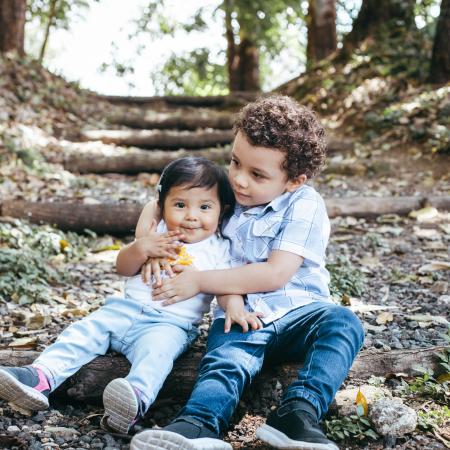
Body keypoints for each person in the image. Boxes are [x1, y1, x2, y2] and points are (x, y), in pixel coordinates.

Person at [130, 95, 365, 450]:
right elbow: (159, 199)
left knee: (344, 324)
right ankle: (198, 424)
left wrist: (199, 281)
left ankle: (298, 413)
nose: (239, 180)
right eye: (235, 162)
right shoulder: (227, 195)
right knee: (224, 361)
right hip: (241, 316)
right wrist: (147, 236)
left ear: (293, 180)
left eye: (257, 174)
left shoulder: (305, 204)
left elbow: (275, 274)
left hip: (301, 314)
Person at [0, 157, 262, 435]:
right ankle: (40, 377)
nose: (191, 216)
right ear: (164, 206)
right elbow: (122, 266)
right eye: (180, 205)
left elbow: (225, 286)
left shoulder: (219, 248)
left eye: (205, 207)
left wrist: (235, 307)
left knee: (157, 355)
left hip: (169, 324)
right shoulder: (157, 233)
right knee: (81, 332)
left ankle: (133, 400)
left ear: (222, 212)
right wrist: (141, 248)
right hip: (121, 311)